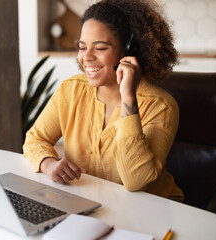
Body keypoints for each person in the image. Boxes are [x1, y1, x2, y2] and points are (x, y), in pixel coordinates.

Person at [23, 0, 184, 201]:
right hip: (90, 204)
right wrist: (49, 164)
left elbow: (135, 181)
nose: (86, 58)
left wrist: (128, 97)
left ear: (129, 50)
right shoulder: (71, 90)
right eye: (82, 47)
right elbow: (35, 138)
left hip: (149, 212)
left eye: (100, 48)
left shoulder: (160, 105)